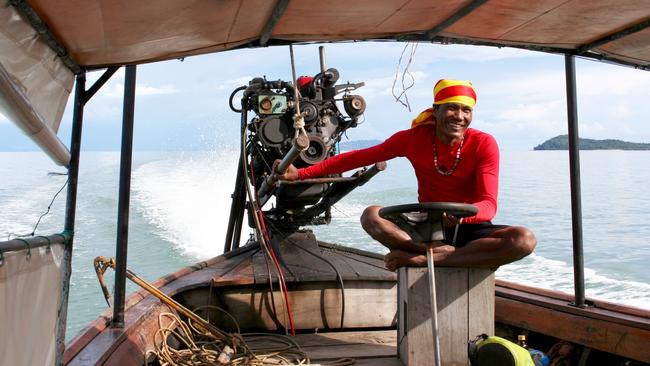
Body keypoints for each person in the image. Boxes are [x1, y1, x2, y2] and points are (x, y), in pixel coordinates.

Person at [277, 79, 536, 271]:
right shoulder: (414, 139)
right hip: (428, 227)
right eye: (451, 108)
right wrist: (300, 174)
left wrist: (462, 216)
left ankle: (427, 259)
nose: (459, 116)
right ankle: (429, 251)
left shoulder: (483, 143)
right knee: (372, 216)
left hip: (469, 225)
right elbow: (357, 157)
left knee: (523, 240)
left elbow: (488, 205)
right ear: (436, 111)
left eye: (466, 110)